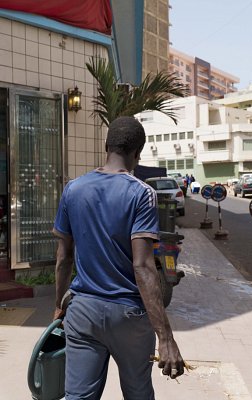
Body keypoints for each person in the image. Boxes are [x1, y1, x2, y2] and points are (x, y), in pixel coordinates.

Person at [53, 116, 185, 400]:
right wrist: (166, 338)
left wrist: (58, 306)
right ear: (137, 153)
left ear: (106, 145)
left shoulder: (73, 189)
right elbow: (143, 266)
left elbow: (63, 257)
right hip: (129, 318)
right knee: (138, 393)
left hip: (82, 311)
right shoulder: (142, 194)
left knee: (77, 397)